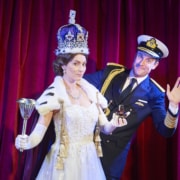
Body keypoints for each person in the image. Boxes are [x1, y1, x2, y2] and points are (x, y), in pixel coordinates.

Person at [15, 10, 128, 180]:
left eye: (83, 64)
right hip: (63, 163)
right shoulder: (54, 94)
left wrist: (115, 123)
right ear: (63, 66)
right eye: (75, 63)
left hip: (90, 161)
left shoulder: (91, 93)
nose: (81, 68)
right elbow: (39, 132)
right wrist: (26, 141)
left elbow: (105, 127)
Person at [84, 34, 180, 180]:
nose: (142, 62)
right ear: (135, 55)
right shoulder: (112, 73)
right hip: (87, 144)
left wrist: (173, 106)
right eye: (140, 56)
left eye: (149, 60)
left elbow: (165, 130)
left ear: (155, 65)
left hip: (113, 156)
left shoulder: (155, 93)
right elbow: (83, 83)